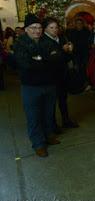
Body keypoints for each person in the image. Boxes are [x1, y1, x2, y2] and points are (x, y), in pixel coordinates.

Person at [14, 14, 61, 157]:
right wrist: (45, 60)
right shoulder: (20, 43)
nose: (37, 30)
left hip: (49, 85)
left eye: (39, 27)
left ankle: (48, 136)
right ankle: (38, 144)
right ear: (26, 29)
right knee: (33, 116)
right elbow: (26, 65)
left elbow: (57, 59)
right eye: (33, 28)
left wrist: (39, 60)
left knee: (48, 113)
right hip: (31, 87)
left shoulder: (47, 42)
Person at [42, 17, 79, 129]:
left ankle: (66, 120)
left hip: (63, 73)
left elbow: (67, 56)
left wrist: (70, 50)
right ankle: (52, 125)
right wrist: (63, 50)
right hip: (51, 75)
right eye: (51, 28)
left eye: (56, 27)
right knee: (51, 102)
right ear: (45, 29)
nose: (54, 30)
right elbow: (50, 58)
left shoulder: (61, 38)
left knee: (63, 99)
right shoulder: (44, 41)